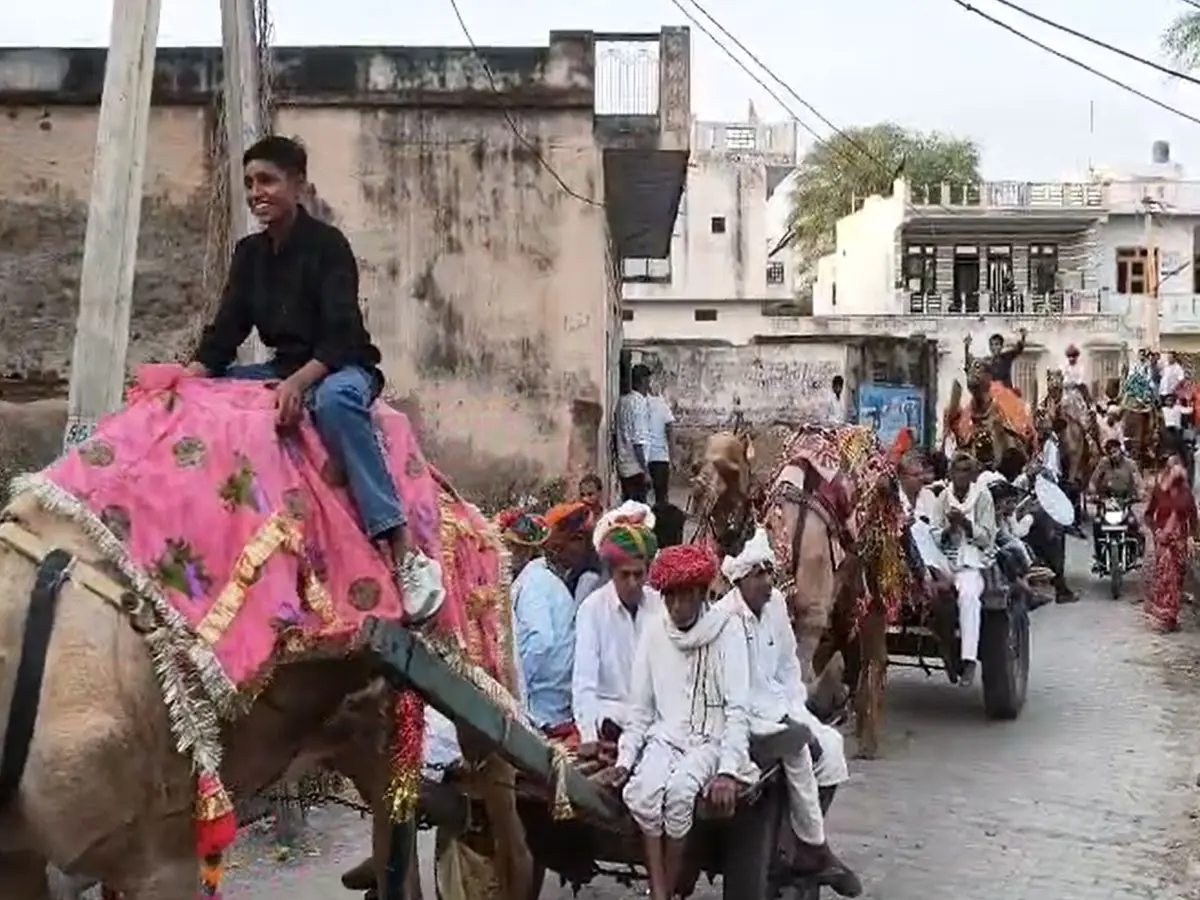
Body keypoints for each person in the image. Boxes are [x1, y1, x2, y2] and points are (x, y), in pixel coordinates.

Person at [187, 135, 411, 582]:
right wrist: (185, 378)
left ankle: (397, 538)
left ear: (299, 185)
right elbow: (226, 332)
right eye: (249, 183)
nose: (256, 193)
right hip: (281, 368)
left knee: (335, 402)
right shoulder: (249, 255)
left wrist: (299, 384)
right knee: (206, 397)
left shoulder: (329, 246)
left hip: (342, 366)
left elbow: (341, 333)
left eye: (267, 180)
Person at [596, 544, 756, 900]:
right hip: (665, 738)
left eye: (686, 597)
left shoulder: (728, 631)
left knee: (682, 793)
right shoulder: (654, 632)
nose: (677, 606)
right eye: (670, 598)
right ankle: (660, 890)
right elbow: (639, 712)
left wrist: (728, 770)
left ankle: (668, 890)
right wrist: (625, 761)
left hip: (709, 741)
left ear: (701, 594)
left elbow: (736, 710)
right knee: (643, 793)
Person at [716, 531, 862, 896]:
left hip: (780, 705)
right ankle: (815, 848)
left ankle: (800, 845)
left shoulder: (777, 604)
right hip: (741, 716)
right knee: (797, 744)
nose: (767, 580)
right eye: (758, 574)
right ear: (740, 580)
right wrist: (786, 721)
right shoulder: (724, 619)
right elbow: (732, 694)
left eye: (769, 571)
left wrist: (798, 710)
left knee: (829, 745)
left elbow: (786, 669)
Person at [572, 502, 661, 758]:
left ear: (648, 572)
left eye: (639, 574)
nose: (633, 583)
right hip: (613, 718)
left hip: (655, 720)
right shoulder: (591, 610)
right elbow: (584, 681)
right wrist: (588, 734)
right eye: (625, 575)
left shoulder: (659, 605)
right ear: (611, 572)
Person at [513, 505, 582, 745]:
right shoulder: (542, 578)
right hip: (555, 702)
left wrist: (516, 691)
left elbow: (540, 640)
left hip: (543, 711)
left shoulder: (533, 583)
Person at [930, 454, 997, 688]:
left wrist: (966, 525)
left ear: (972, 475)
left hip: (971, 562)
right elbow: (934, 534)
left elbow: (988, 537)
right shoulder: (943, 498)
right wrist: (950, 528)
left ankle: (969, 660)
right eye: (956, 472)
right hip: (946, 563)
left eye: (965, 472)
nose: (960, 477)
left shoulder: (982, 498)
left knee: (969, 596)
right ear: (950, 474)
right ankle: (947, 650)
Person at [1144, 441, 1198, 632]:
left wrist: (1193, 538)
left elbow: (1193, 517)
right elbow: (1148, 515)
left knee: (1178, 581)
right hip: (1164, 542)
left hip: (1180, 543)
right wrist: (1157, 531)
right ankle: (1165, 618)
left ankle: (1172, 617)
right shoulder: (1159, 490)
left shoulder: (1186, 494)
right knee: (1167, 580)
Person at [1087, 438, 1144, 573]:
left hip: (1125, 501)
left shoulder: (1130, 464)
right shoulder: (1103, 464)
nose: (1114, 455)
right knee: (1097, 524)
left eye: (1115, 451)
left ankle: (1136, 553)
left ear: (1120, 450)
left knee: (1133, 523)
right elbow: (1093, 482)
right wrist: (1093, 494)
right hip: (1106, 502)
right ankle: (1099, 556)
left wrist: (1140, 493)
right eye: (1110, 453)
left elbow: (1138, 481)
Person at [617, 366, 653, 502]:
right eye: (648, 381)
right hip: (636, 467)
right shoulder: (639, 403)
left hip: (624, 464)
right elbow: (638, 441)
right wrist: (645, 471)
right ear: (644, 381)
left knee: (627, 507)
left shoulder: (623, 400)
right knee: (638, 511)